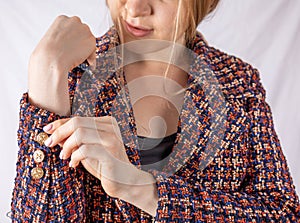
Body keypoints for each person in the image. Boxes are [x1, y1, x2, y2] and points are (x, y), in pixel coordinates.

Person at [11, 0, 300, 222]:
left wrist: (142, 189)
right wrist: (45, 74)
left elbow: (283, 213)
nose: (135, 9)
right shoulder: (72, 75)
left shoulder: (237, 81)